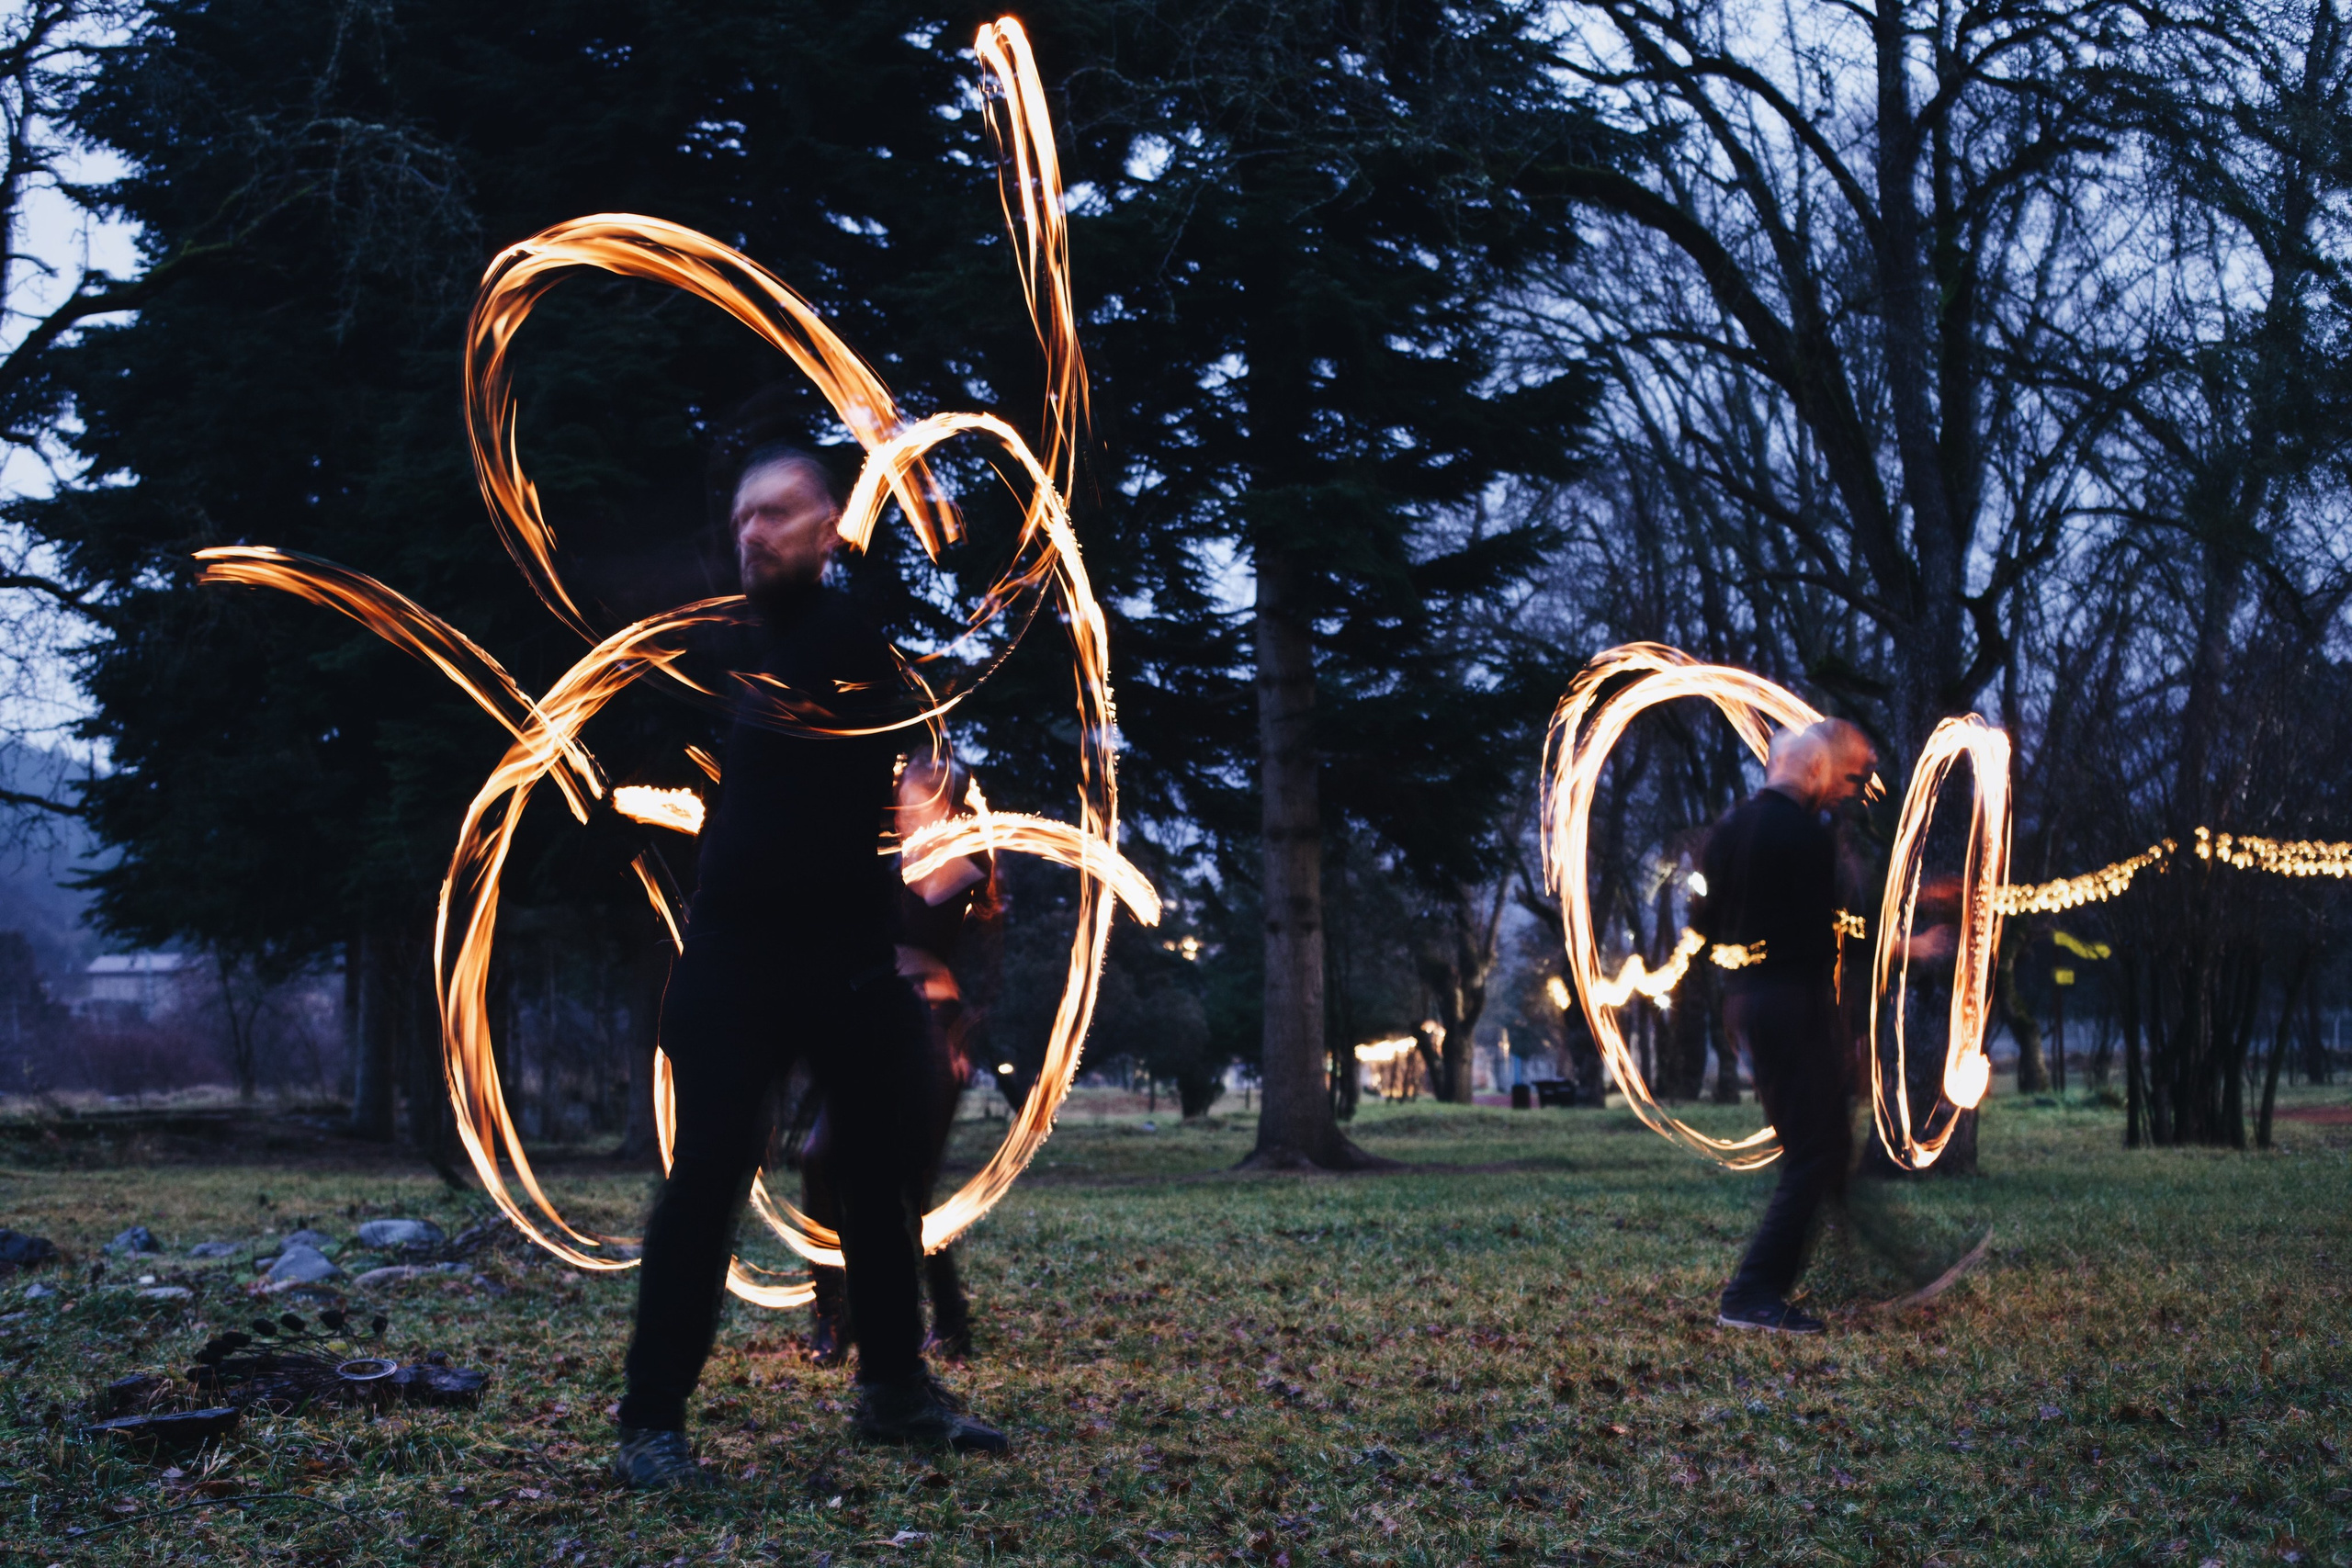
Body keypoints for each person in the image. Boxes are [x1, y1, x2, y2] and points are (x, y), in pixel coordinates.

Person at [613, 444, 1007, 1491]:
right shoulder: (757, 652)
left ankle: (893, 1391)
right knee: (705, 1186)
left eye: (780, 513)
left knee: (879, 1182)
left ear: (831, 526)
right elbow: (779, 844)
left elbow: (832, 837)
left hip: (839, 962)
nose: (755, 531)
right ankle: (650, 1422)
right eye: (744, 516)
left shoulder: (838, 645)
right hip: (740, 961)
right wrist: (923, 888)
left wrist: (923, 884)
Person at [801, 755, 993, 1366]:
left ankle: (948, 1321)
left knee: (910, 1188)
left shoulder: (964, 867)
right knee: (819, 1159)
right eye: (903, 800)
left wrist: (962, 1038)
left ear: (946, 805)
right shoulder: (884, 863)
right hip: (869, 1023)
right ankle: (830, 1317)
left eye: (920, 802)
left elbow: (954, 944)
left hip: (932, 1034)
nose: (907, 812)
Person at [1692, 717, 1880, 1336]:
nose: (1849, 792)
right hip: (1793, 1002)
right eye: (1850, 778)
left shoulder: (1729, 829)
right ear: (1818, 768)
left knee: (1821, 1144)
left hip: (1750, 1002)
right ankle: (1751, 1292)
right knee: (1817, 1148)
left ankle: (1842, 1268)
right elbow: (1821, 941)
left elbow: (1705, 923)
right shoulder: (1805, 835)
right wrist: (1897, 952)